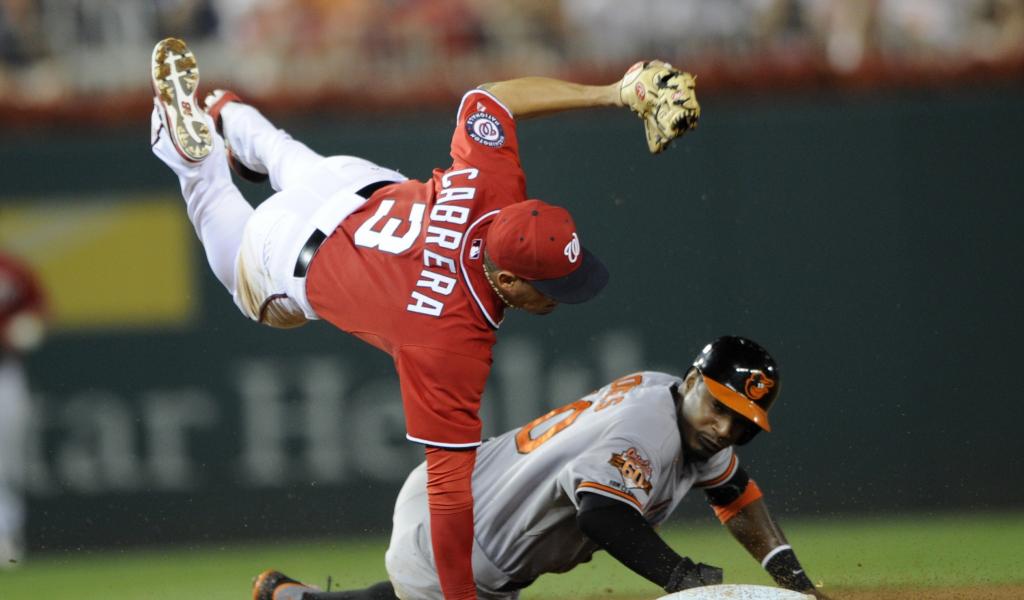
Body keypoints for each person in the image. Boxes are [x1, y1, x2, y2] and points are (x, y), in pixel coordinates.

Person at [149, 39, 700, 600]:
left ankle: (226, 116)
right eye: (551, 287)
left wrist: (613, 91)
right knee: (217, 210)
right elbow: (449, 495)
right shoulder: (448, 343)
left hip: (352, 193)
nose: (560, 297)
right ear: (510, 281)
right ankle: (194, 154)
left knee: (291, 163)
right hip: (288, 247)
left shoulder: (495, 190)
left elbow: (490, 98)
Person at [251, 336, 832, 600]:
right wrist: (680, 577)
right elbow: (602, 515)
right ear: (694, 381)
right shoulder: (648, 429)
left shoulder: (679, 406)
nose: (725, 429)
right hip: (457, 537)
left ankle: (292, 598)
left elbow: (735, 492)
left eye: (742, 422)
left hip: (454, 498)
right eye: (720, 409)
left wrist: (794, 580)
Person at [0, 251, 48, 567]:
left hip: (5, 373)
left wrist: (26, 327)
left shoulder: (11, 269)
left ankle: (5, 535)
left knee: (6, 461)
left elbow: (38, 308)